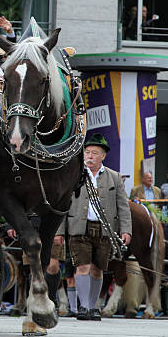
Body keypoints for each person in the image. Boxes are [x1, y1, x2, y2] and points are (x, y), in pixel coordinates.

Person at [56, 133, 132, 321]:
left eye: (94, 153)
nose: (89, 156)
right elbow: (62, 203)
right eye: (87, 152)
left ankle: (93, 307)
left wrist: (126, 230)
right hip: (79, 227)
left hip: (105, 229)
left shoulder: (114, 177)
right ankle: (83, 307)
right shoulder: (74, 175)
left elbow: (123, 206)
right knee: (81, 267)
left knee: (98, 269)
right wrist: (59, 231)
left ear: (103, 156)